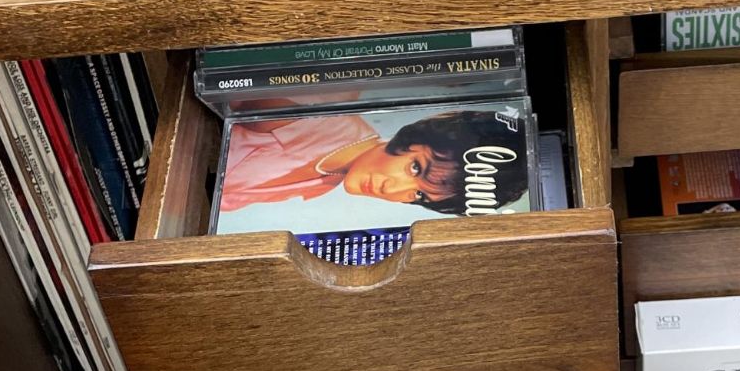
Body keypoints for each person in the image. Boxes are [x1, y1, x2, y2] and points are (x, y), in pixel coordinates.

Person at [216, 106, 529, 216]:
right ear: (412, 138)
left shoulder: (327, 182)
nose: (392, 191)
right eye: (416, 167)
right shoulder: (323, 122)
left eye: (419, 195)